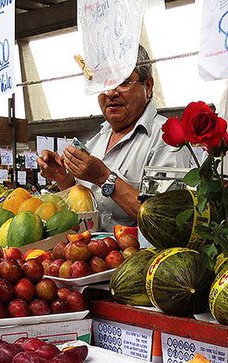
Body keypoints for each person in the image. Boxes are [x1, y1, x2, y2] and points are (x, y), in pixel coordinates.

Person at [38, 45, 195, 230]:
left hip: (142, 257)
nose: (111, 93)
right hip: (91, 255)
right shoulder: (97, 140)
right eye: (104, 84)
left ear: (148, 86)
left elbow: (167, 222)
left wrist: (104, 177)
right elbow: (82, 211)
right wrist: (63, 179)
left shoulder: (167, 140)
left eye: (123, 82)